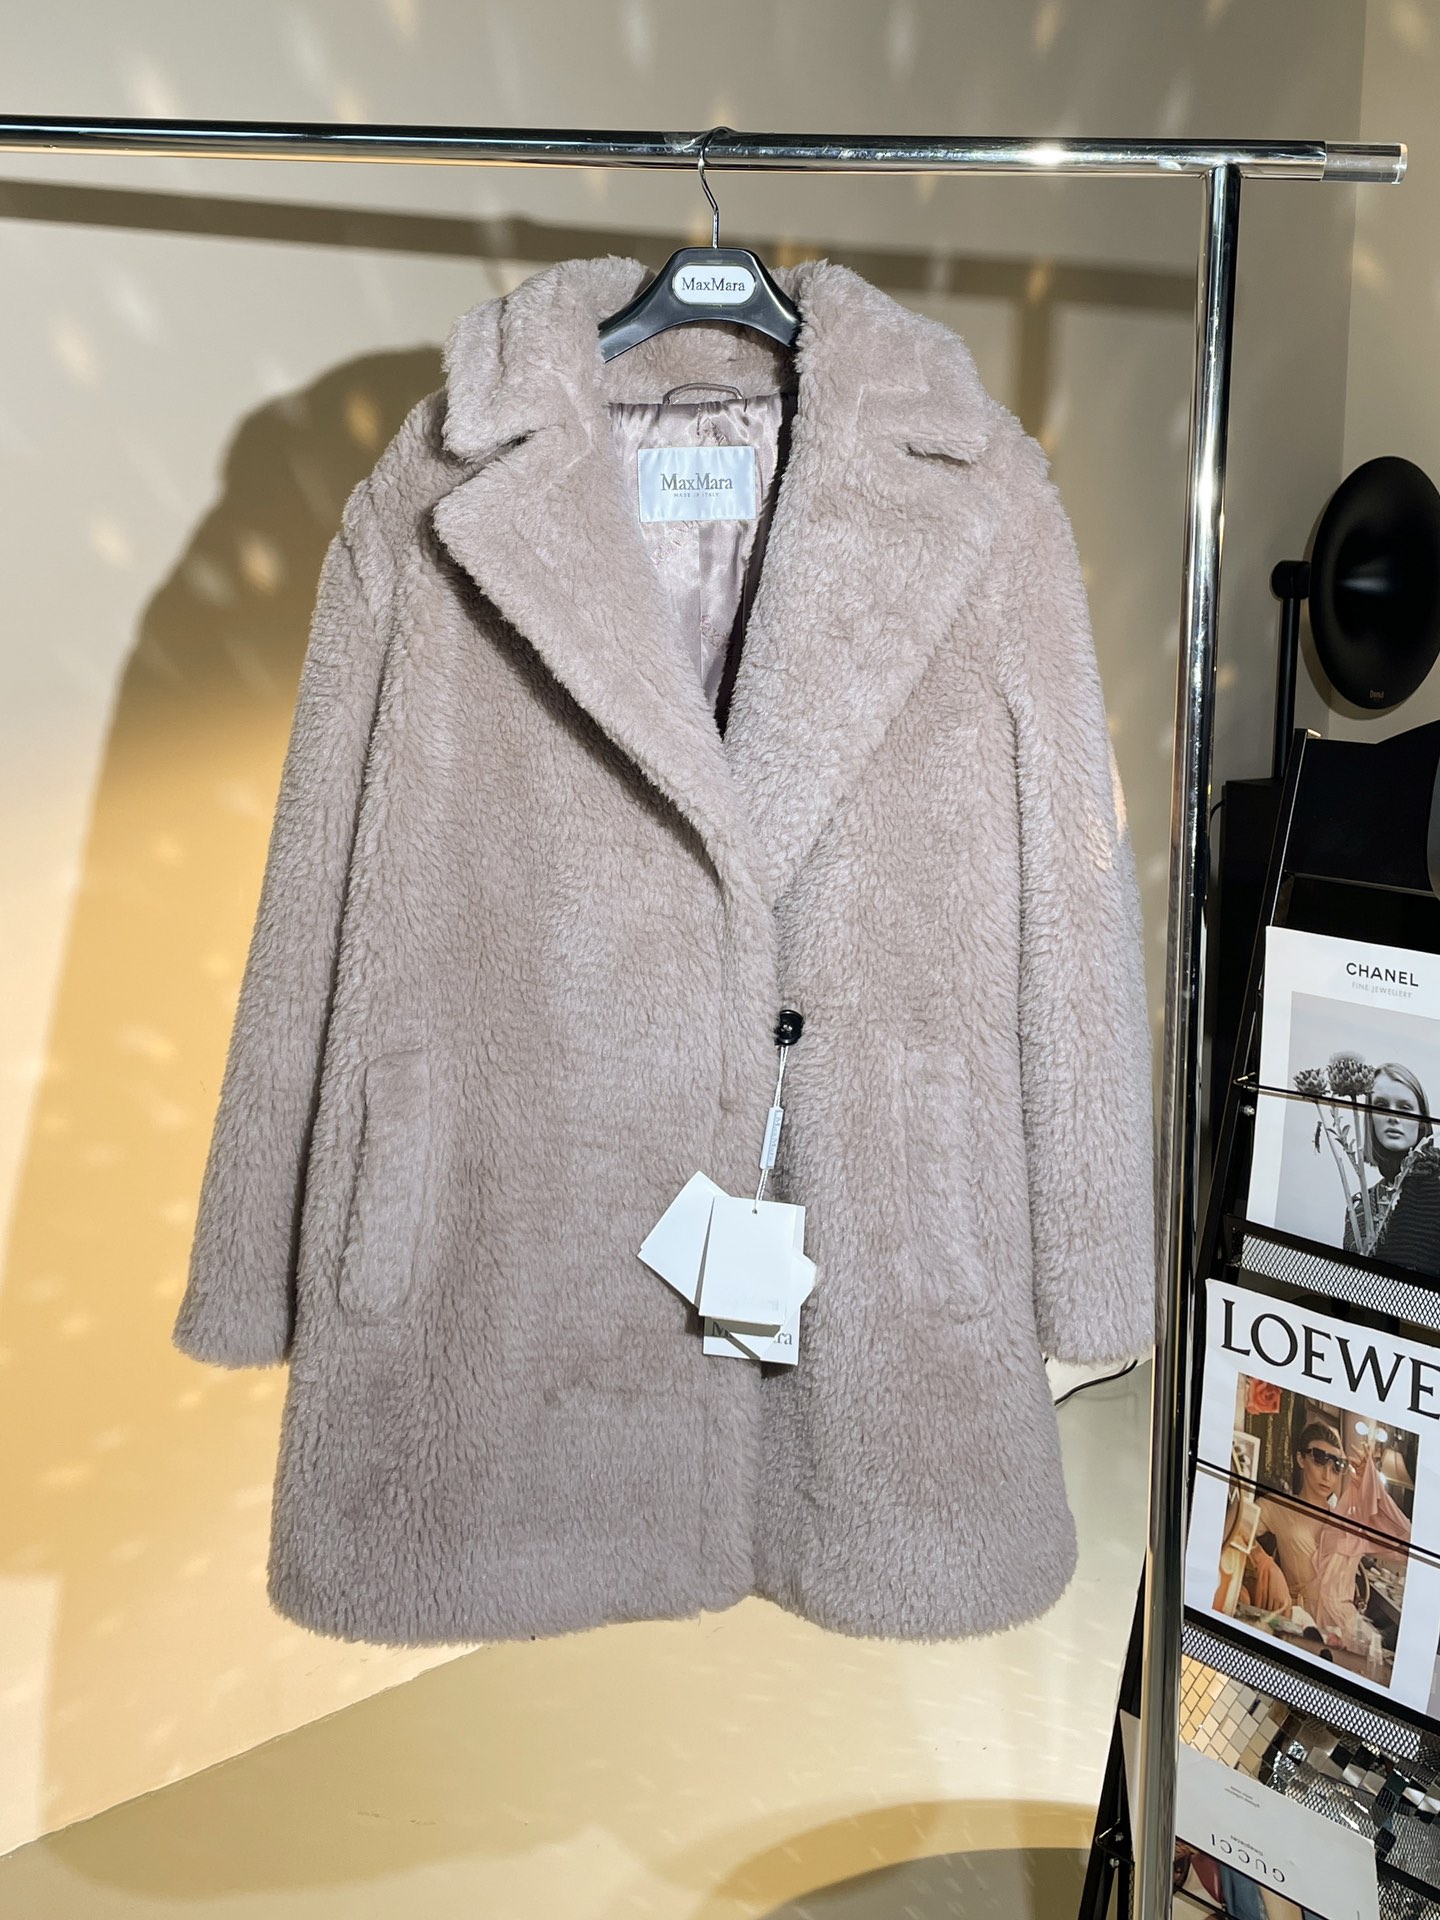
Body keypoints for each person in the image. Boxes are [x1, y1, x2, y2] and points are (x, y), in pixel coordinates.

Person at [1244, 1419, 1410, 1639]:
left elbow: (1407, 1545)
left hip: (1346, 1632)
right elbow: (1236, 1531)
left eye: (1336, 1466)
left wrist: (1374, 1487)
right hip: (1301, 1627)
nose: (1327, 1475)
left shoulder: (1349, 1523)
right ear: (1301, 1459)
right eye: (1319, 1460)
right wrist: (1266, 1565)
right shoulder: (1278, 1507)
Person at [1341, 1062, 1440, 1274]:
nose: (1392, 1117)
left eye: (1405, 1108)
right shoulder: (1360, 1207)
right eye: (1381, 1105)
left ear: (1423, 1122)